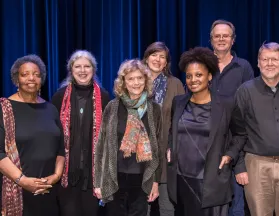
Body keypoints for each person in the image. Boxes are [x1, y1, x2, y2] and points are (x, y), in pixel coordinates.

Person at [227, 42, 279, 216]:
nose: (269, 63)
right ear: (258, 63)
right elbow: (235, 131)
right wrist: (240, 167)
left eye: (274, 59)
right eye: (265, 59)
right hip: (256, 165)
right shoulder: (245, 91)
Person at [167, 47, 233, 216]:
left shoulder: (226, 104)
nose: (193, 80)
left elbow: (240, 134)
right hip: (182, 180)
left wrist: (230, 154)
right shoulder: (178, 102)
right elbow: (172, 130)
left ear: (209, 76)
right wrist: (169, 147)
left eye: (198, 75)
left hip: (211, 181)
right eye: (189, 76)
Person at [94, 59, 162, 216]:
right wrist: (98, 182)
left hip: (142, 178)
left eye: (140, 78)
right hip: (114, 177)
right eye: (131, 79)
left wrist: (155, 182)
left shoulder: (154, 109)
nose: (136, 83)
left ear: (146, 80)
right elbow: (101, 146)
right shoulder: (112, 107)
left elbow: (158, 148)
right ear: (123, 83)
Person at [0, 54, 65, 215]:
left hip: (48, 190)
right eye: (25, 74)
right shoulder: (4, 109)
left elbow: (61, 150)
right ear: (16, 79)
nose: (31, 78)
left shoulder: (51, 109)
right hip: (18, 190)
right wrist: (23, 181)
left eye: (36, 75)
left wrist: (55, 176)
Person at [51, 50, 110, 216]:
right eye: (78, 66)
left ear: (94, 69)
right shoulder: (59, 96)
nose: (82, 71)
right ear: (71, 69)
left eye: (87, 66)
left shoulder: (104, 97)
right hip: (66, 172)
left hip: (93, 174)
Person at [209, 19, 254, 216]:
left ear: (233, 40)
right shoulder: (201, 64)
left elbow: (250, 104)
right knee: (210, 202)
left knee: (236, 202)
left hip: (237, 140)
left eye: (225, 35)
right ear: (211, 40)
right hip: (207, 140)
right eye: (217, 36)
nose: (221, 39)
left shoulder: (243, 67)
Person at [142, 41, 185, 216]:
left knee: (167, 208)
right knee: (140, 207)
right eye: (154, 55)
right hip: (141, 155)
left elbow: (182, 120)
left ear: (166, 63)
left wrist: (173, 147)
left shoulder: (175, 84)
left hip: (166, 153)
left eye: (162, 57)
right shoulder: (135, 82)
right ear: (146, 58)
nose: (158, 60)